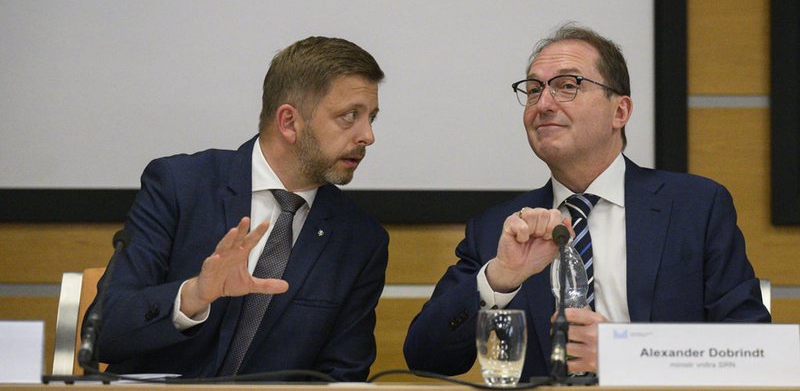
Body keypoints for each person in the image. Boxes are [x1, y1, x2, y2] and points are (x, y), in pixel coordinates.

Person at [403, 23, 770, 380]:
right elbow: (426, 357)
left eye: (567, 86)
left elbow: (752, 346)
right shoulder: (499, 228)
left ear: (620, 112)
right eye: (533, 90)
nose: (543, 104)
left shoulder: (696, 208)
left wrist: (628, 353)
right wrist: (500, 278)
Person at [86, 36, 388, 381]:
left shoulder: (360, 239)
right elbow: (102, 335)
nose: (367, 136)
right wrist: (194, 296)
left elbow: (342, 375)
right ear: (289, 122)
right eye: (350, 117)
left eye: (371, 118)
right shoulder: (181, 187)